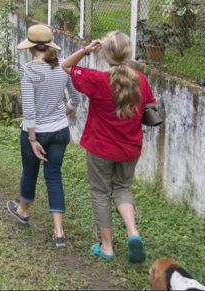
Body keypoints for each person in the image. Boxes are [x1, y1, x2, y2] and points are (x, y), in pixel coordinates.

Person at [62, 30, 156, 263]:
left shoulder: (96, 80)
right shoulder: (141, 81)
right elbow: (151, 107)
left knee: (100, 192)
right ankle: (133, 233)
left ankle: (107, 246)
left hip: (101, 147)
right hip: (130, 148)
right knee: (122, 188)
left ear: (105, 53)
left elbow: (66, 66)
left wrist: (86, 49)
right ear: (129, 52)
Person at [6, 24, 82, 248]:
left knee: (30, 171)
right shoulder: (62, 67)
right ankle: (59, 232)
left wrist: (32, 138)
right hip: (60, 131)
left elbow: (29, 108)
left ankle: (23, 210)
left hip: (37, 132)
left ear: (31, 47)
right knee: (54, 176)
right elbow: (76, 99)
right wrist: (62, 114)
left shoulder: (29, 70)